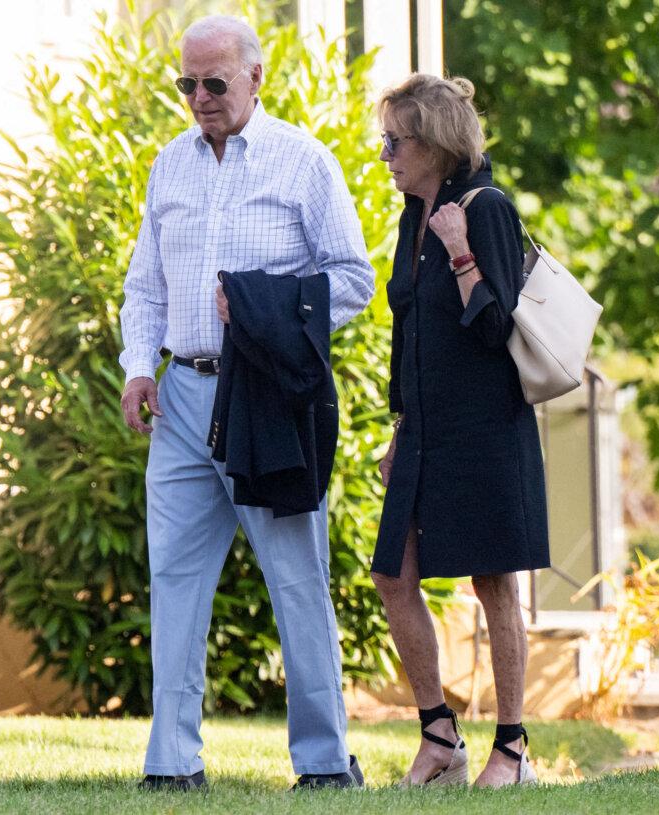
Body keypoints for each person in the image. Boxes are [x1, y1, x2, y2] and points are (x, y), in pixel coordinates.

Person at [118, 14, 375, 791]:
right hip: (184, 399)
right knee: (175, 579)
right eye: (186, 84)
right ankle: (172, 762)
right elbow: (143, 286)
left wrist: (266, 310)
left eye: (214, 83)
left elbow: (354, 278)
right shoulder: (170, 165)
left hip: (267, 399)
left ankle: (326, 762)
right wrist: (139, 366)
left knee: (296, 576)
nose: (199, 97)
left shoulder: (304, 162)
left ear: (255, 78)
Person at [371, 73, 550, 789]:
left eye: (396, 141)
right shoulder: (413, 218)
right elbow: (406, 328)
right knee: (393, 573)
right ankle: (439, 735)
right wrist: (398, 429)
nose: (386, 154)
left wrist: (462, 251)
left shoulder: (487, 209)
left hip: (484, 429)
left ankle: (512, 747)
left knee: (493, 580)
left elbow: (497, 330)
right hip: (423, 430)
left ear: (437, 143)